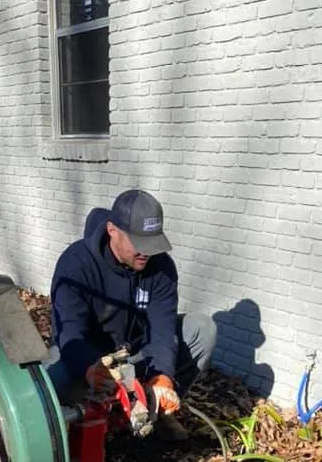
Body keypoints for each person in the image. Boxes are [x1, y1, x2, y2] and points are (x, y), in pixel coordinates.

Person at [45, 189, 216, 441]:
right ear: (112, 230)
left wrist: (163, 376)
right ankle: (76, 427)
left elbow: (162, 329)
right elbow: (69, 331)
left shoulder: (161, 268)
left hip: (135, 355)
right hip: (92, 358)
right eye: (139, 244)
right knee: (47, 382)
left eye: (152, 244)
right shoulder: (76, 264)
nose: (146, 253)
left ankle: (154, 410)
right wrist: (90, 367)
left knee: (202, 329)